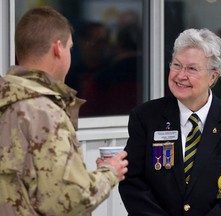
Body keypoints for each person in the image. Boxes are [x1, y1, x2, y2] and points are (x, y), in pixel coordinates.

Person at [0, 6, 128, 216]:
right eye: (70, 47)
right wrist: (110, 171)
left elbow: (32, 185)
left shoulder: (8, 99)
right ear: (58, 48)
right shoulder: (44, 112)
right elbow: (70, 199)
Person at [119, 28, 221, 216]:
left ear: (213, 76)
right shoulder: (145, 117)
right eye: (177, 65)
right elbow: (132, 181)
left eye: (192, 69)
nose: (180, 75)